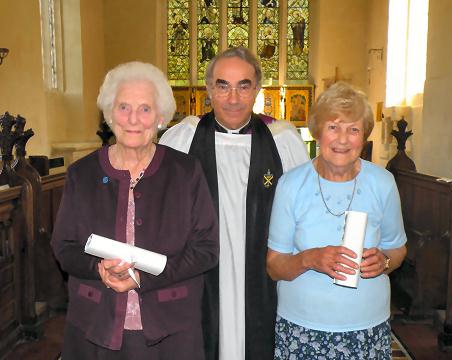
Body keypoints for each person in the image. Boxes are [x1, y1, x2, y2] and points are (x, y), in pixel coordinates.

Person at [51, 61, 219, 360]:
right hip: (96, 324)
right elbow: (63, 246)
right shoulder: (82, 173)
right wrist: (98, 268)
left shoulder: (186, 172)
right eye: (123, 107)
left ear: (160, 117)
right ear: (109, 114)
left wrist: (144, 277)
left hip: (171, 327)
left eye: (145, 109)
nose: (133, 119)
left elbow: (206, 249)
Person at [159, 47, 309, 360]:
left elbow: (303, 211)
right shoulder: (183, 138)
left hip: (263, 270)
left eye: (243, 85)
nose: (233, 97)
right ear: (209, 89)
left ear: (256, 89)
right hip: (201, 272)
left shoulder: (281, 139)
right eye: (223, 85)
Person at [267, 82, 407, 359]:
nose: (343, 139)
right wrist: (310, 259)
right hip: (302, 328)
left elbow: (398, 248)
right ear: (317, 132)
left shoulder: (383, 183)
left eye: (353, 129)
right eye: (333, 127)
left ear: (364, 136)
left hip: (367, 327)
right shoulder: (291, 185)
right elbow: (274, 267)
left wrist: (385, 262)